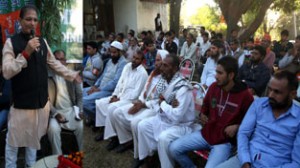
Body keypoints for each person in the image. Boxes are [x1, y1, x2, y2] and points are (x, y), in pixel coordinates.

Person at [2, 5, 81, 168]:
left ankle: (31, 166)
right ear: (20, 21)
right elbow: (7, 72)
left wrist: (72, 75)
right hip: (21, 105)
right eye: (28, 19)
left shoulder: (42, 42)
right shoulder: (11, 43)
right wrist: (26, 53)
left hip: (40, 105)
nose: (32, 23)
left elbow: (54, 64)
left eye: (35, 20)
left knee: (34, 142)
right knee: (13, 143)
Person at [169, 56, 253, 168]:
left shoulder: (245, 95)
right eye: (216, 72)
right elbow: (206, 105)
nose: (215, 76)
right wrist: (203, 113)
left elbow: (252, 122)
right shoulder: (214, 87)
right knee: (173, 149)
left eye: (220, 73)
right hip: (206, 134)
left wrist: (237, 127)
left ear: (231, 75)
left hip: (224, 143)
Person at [216, 70, 300, 168]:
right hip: (245, 160)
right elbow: (243, 133)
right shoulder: (259, 104)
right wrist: (245, 161)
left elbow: (297, 162)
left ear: (292, 94)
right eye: (270, 89)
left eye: (277, 92)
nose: (270, 95)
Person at [104, 50, 168, 165]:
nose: (155, 62)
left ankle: (140, 155)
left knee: (135, 123)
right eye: (156, 60)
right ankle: (125, 140)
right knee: (117, 112)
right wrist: (139, 101)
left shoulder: (165, 79)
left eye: (158, 60)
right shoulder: (153, 74)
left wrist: (143, 104)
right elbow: (144, 91)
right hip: (142, 103)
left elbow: (159, 101)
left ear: (165, 62)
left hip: (153, 109)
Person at [137, 54, 195, 168]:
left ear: (174, 68)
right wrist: (161, 103)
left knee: (164, 137)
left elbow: (176, 116)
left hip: (181, 125)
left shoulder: (182, 88)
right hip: (164, 119)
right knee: (142, 126)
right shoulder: (163, 81)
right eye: (162, 65)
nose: (161, 68)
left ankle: (166, 165)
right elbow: (155, 101)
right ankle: (150, 158)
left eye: (165, 66)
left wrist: (162, 103)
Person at [94, 50, 148, 143]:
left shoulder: (143, 74)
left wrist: (119, 99)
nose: (134, 60)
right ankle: (104, 129)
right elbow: (120, 83)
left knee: (111, 108)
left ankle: (114, 137)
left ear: (142, 61)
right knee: (99, 103)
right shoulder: (127, 66)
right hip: (119, 95)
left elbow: (136, 93)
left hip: (130, 100)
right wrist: (115, 95)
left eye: (137, 59)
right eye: (133, 57)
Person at [47, 50, 83, 155]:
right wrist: (56, 113)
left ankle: (81, 155)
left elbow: (80, 96)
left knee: (81, 126)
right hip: (55, 113)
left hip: (71, 110)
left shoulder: (71, 75)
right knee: (52, 129)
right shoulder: (48, 76)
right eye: (56, 59)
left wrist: (80, 110)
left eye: (61, 59)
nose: (58, 62)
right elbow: (45, 100)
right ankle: (58, 158)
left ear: (65, 61)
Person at [83, 41, 127, 124]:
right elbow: (102, 75)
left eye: (114, 52)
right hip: (100, 87)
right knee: (81, 93)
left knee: (84, 101)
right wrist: (95, 86)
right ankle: (95, 119)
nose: (112, 54)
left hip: (109, 90)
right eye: (111, 52)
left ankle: (100, 121)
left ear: (120, 52)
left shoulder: (123, 63)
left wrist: (99, 89)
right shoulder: (110, 61)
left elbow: (115, 82)